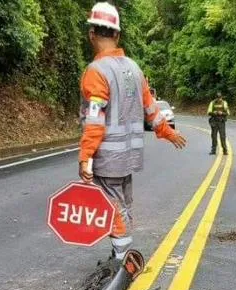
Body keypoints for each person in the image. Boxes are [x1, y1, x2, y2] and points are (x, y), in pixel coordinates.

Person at [79, 2, 186, 260]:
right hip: (130, 156)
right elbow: (151, 109)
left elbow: (95, 121)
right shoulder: (135, 69)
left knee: (113, 207)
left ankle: (121, 258)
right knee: (124, 205)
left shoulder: (96, 72)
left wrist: (86, 157)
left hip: (108, 157)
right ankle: (122, 252)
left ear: (91, 34)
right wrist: (168, 132)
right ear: (117, 35)